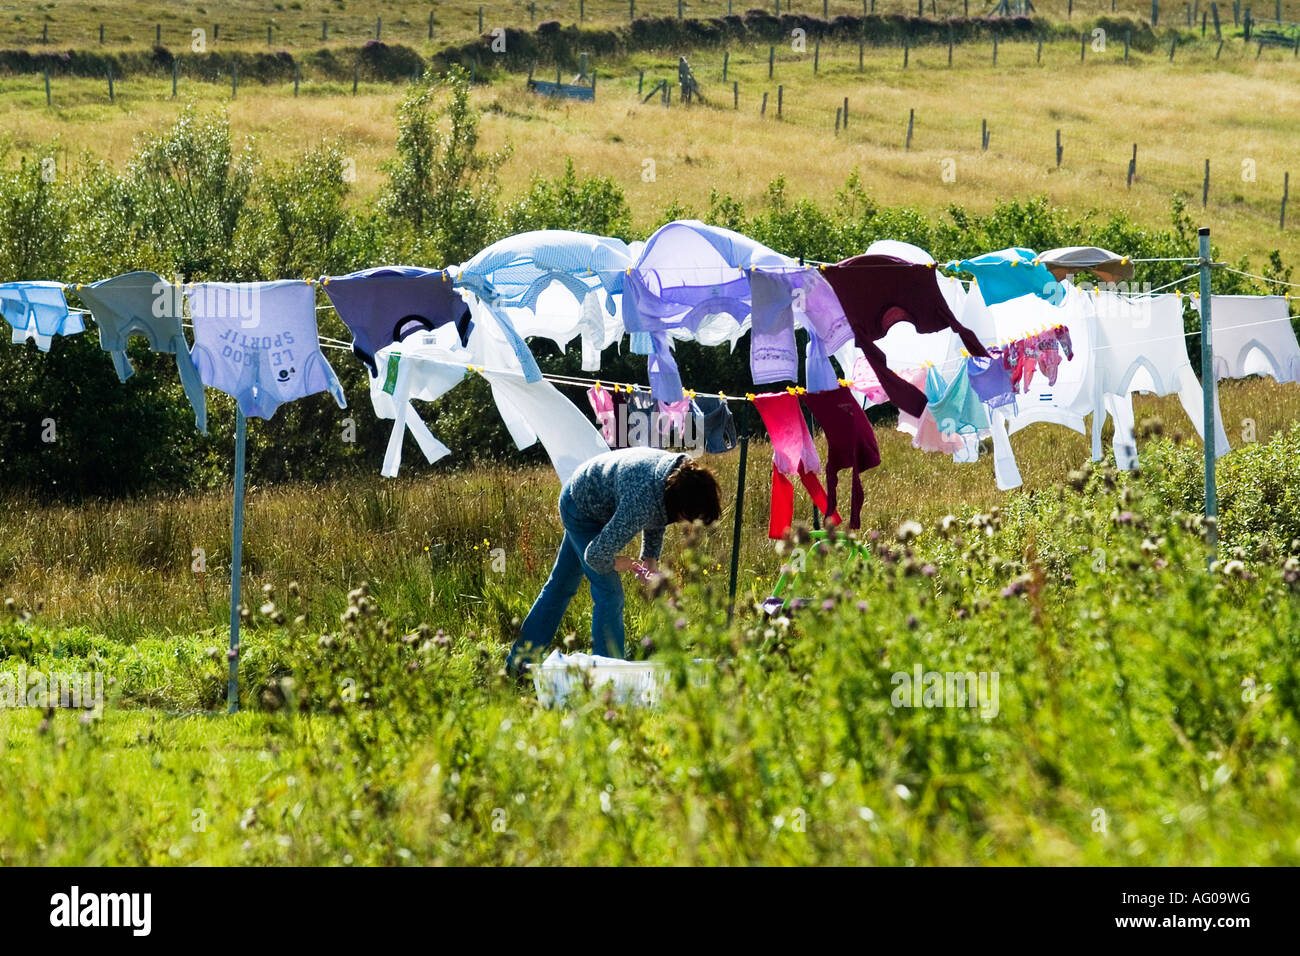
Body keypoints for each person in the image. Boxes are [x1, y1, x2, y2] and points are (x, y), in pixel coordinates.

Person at [506, 447, 722, 678]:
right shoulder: (642, 501)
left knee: (560, 587)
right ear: (681, 505)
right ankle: (609, 677)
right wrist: (625, 563)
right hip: (580, 507)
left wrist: (649, 559)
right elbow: (597, 556)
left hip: (593, 493)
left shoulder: (681, 476)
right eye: (687, 518)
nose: (685, 524)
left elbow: (660, 512)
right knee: (610, 594)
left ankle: (519, 665)